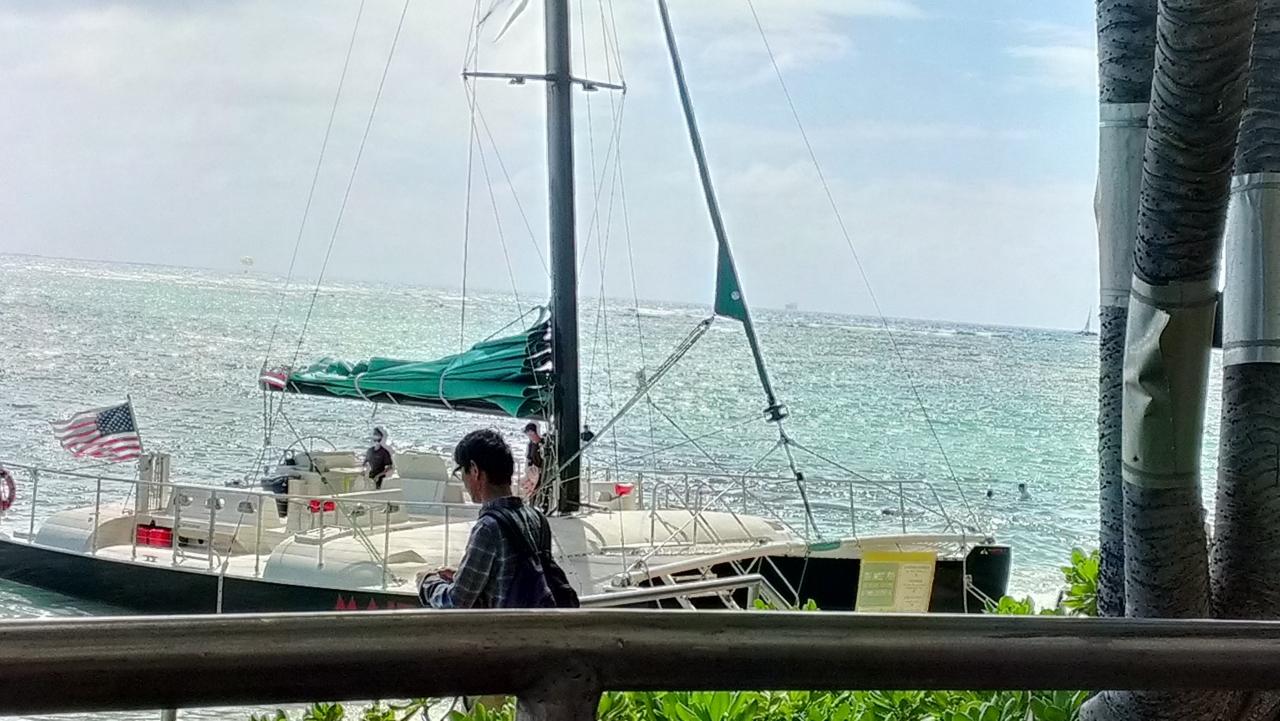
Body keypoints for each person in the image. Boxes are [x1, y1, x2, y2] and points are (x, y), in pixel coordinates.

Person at [418, 428, 568, 608]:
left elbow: (456, 602)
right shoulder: (537, 517)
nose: (463, 481)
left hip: (504, 625)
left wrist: (428, 583)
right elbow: (513, 577)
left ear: (474, 470)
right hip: (538, 621)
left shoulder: (488, 528)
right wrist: (462, 576)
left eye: (461, 472)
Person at [523, 422, 550, 512]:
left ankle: (542, 506)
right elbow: (529, 458)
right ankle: (531, 506)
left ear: (533, 432)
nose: (529, 436)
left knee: (541, 487)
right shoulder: (531, 444)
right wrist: (528, 469)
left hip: (543, 470)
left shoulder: (543, 443)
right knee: (530, 488)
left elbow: (546, 458)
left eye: (529, 434)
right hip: (533, 470)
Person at [363, 426, 393, 490]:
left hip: (380, 479)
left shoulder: (384, 452)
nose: (375, 436)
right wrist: (365, 473)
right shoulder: (370, 451)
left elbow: (390, 467)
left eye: (377, 434)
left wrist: (378, 475)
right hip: (370, 478)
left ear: (381, 437)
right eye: (374, 434)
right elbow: (365, 464)